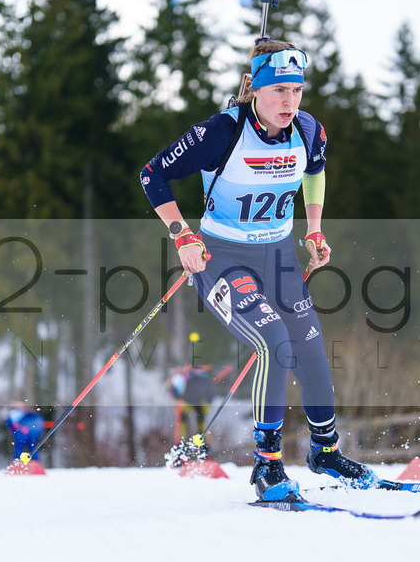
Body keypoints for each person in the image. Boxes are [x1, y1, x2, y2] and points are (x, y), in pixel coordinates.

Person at [140, 37, 379, 501]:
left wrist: (313, 231)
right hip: (222, 259)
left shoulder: (309, 130)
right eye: (279, 91)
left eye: (297, 91)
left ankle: (325, 451)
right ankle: (266, 466)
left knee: (309, 345)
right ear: (256, 91)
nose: (290, 102)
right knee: (274, 341)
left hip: (280, 255)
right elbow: (153, 174)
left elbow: (314, 170)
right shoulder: (221, 132)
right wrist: (182, 235)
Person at [167, 362, 216, 450]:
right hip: (189, 401)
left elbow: (173, 391)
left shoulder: (200, 377)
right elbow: (173, 390)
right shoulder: (183, 377)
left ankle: (203, 449)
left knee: (200, 423)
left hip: (198, 401)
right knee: (184, 423)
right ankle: (182, 448)